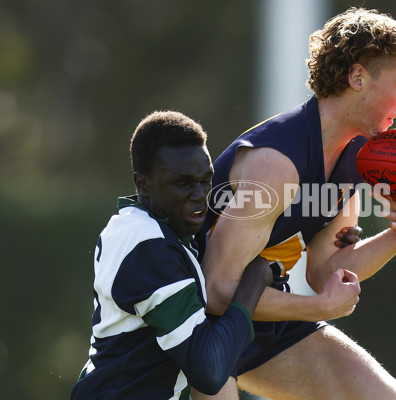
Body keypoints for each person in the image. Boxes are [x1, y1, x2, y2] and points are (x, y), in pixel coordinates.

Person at [195, 7, 396, 400]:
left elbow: (326, 272)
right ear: (358, 77)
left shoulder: (357, 153)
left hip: (259, 316)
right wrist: (318, 308)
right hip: (190, 325)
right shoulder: (276, 163)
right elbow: (216, 289)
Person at [70, 111, 275, 399]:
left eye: (206, 181)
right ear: (143, 184)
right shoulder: (150, 247)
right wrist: (255, 280)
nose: (201, 195)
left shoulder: (143, 227)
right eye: (183, 183)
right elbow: (209, 370)